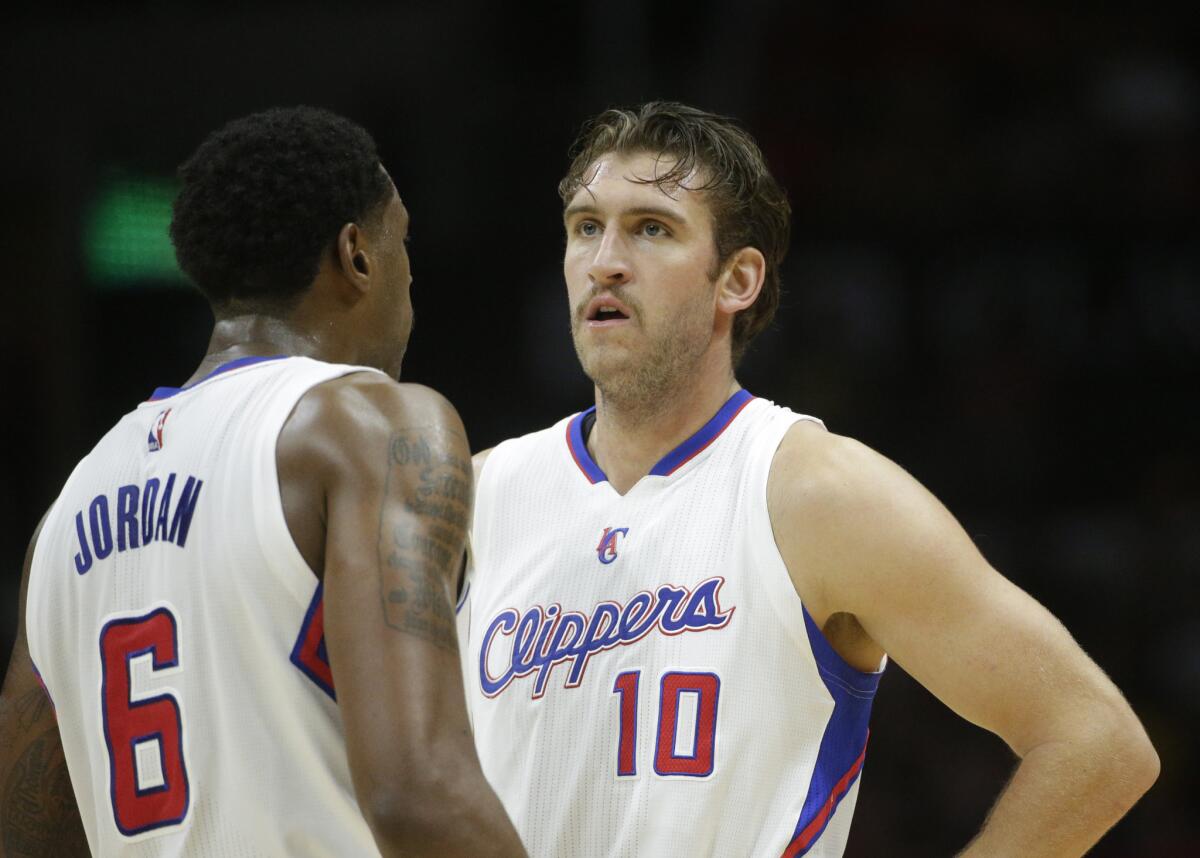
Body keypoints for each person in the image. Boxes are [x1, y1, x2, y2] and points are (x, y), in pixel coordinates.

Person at [457, 102, 1159, 857]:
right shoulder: (476, 497)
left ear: (738, 279)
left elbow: (1098, 744)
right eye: (586, 227)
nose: (605, 260)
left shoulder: (819, 494)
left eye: (652, 229)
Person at [0, 106, 525, 857]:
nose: (411, 275)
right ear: (358, 255)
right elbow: (417, 788)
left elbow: (25, 836)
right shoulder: (367, 426)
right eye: (401, 242)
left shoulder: (69, 508)